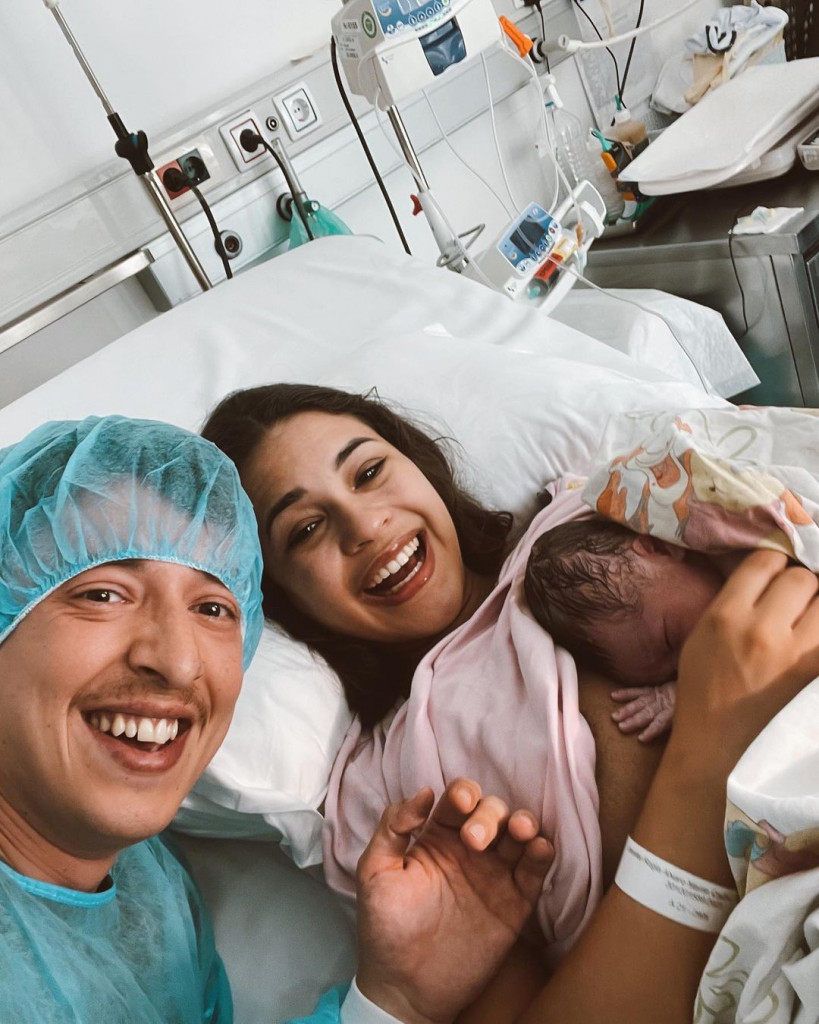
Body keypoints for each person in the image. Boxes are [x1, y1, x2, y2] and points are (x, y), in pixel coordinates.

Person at [202, 381, 819, 1020]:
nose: (364, 526)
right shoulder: (385, 798)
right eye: (306, 529)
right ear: (278, 597)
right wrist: (709, 749)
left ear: (418, 462)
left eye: (369, 472)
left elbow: (784, 507)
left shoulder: (596, 514)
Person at [0, 414, 555, 1024]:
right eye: (103, 594)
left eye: (213, 607)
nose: (180, 661)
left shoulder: (153, 894)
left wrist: (394, 999)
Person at [523, 516, 733, 741]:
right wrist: (684, 692)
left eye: (671, 639)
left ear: (661, 547)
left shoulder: (733, 534)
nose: (689, 665)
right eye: (672, 676)